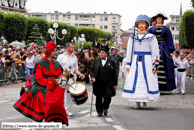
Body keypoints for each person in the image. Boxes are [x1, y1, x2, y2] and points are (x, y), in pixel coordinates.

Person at [13, 41, 69, 128]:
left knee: (57, 100)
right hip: (40, 85)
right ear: (49, 51)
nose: (55, 52)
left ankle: (50, 122)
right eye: (54, 51)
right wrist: (50, 83)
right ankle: (35, 123)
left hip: (53, 86)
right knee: (38, 100)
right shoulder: (40, 62)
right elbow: (38, 77)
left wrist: (59, 79)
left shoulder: (56, 63)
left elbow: (59, 74)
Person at [122, 15, 160, 108]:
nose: (141, 25)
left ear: (147, 25)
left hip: (147, 61)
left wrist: (155, 64)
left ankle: (145, 102)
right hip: (136, 61)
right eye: (139, 24)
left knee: (146, 79)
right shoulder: (133, 36)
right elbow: (129, 51)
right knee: (136, 80)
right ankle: (137, 102)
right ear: (137, 25)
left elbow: (155, 52)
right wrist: (128, 64)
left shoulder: (151, 37)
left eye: (143, 23)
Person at [148, 12, 176, 91]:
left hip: (163, 48)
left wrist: (170, 52)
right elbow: (147, 38)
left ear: (162, 20)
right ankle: (152, 84)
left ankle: (163, 86)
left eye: (160, 18)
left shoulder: (166, 29)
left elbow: (170, 40)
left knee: (165, 65)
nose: (159, 19)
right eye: (158, 18)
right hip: (153, 47)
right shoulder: (151, 29)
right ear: (156, 20)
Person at [57, 42, 85, 116]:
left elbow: (75, 69)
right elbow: (56, 67)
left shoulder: (74, 57)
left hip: (71, 78)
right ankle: (59, 109)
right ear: (67, 48)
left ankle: (67, 110)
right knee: (60, 94)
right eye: (72, 47)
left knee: (68, 95)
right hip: (62, 77)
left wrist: (80, 74)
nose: (73, 49)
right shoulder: (60, 57)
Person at [90, 46, 117, 116]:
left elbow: (114, 74)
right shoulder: (96, 61)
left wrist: (115, 84)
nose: (101, 54)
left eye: (103, 52)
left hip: (108, 83)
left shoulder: (111, 62)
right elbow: (91, 70)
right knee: (98, 97)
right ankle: (99, 111)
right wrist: (92, 77)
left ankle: (105, 108)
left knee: (107, 96)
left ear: (107, 54)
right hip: (98, 82)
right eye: (100, 52)